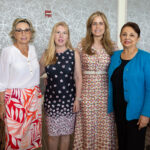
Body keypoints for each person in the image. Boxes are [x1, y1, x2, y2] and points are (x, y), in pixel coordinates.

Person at [73, 11, 117, 150]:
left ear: (105, 26)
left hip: (105, 94)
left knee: (104, 129)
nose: (97, 27)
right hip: (86, 94)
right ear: (90, 27)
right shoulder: (81, 45)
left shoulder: (113, 46)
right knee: (87, 128)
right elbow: (77, 75)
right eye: (94, 23)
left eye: (100, 23)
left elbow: (117, 74)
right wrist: (78, 98)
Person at [0, 18, 42, 149]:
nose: (23, 34)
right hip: (15, 101)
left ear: (31, 33)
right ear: (14, 33)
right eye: (19, 30)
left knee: (31, 139)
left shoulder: (33, 49)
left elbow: (34, 73)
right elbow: (1, 81)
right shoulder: (8, 52)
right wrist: (1, 105)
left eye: (26, 30)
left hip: (34, 100)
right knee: (14, 139)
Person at [40, 21, 82, 150]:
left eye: (64, 33)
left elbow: (78, 77)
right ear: (53, 35)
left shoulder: (73, 53)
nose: (61, 36)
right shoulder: (47, 54)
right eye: (57, 32)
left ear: (68, 36)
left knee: (66, 135)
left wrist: (77, 99)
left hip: (69, 101)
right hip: (52, 102)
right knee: (52, 135)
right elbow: (35, 74)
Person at [108, 22, 150, 150]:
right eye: (124, 34)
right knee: (122, 143)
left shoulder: (146, 58)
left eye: (132, 35)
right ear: (120, 37)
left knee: (134, 145)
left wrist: (146, 114)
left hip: (137, 112)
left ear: (138, 38)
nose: (127, 38)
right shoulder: (115, 56)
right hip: (118, 110)